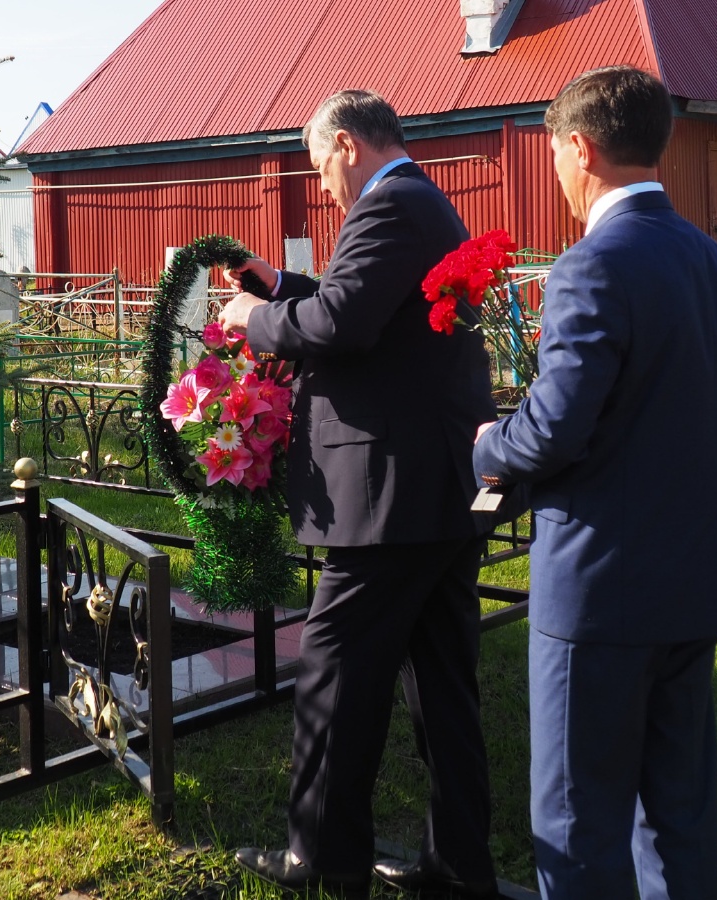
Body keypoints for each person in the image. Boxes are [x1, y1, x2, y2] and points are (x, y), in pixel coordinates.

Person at [470, 66, 717, 899]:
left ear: (580, 147)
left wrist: (491, 444)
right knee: (678, 814)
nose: (558, 177)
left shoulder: (592, 264)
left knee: (578, 823)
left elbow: (555, 427)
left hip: (601, 588)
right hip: (697, 578)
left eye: (553, 158)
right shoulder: (714, 262)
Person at [217, 89, 499, 899]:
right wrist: (281, 284)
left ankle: (323, 858)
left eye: (320, 168)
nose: (323, 187)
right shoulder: (419, 201)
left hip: (389, 495)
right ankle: (458, 866)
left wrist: (250, 315)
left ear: (346, 145)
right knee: (441, 684)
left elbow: (343, 323)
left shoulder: (390, 205)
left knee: (334, 673)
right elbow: (371, 304)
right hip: (432, 486)